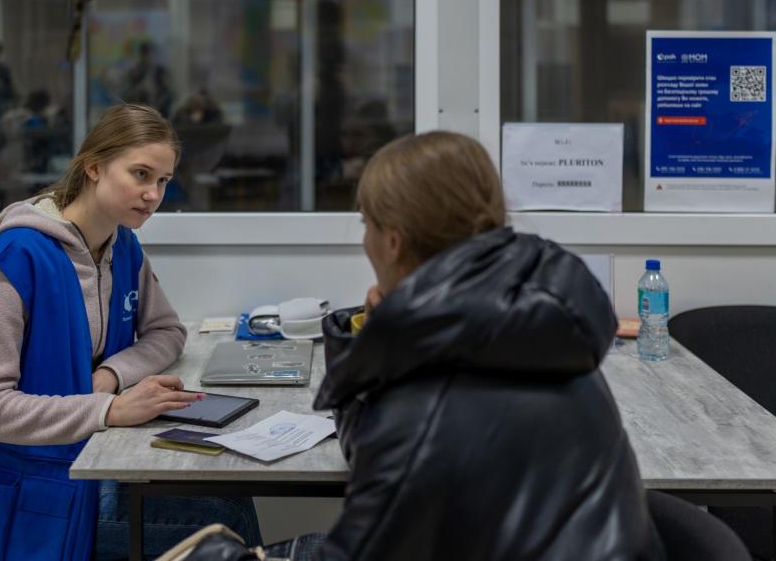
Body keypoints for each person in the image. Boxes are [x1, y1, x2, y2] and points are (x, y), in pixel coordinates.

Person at [187, 131, 664, 560]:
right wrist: (375, 342)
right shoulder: (538, 328)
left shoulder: (425, 409)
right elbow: (371, 450)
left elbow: (395, 464)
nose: (365, 240)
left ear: (392, 241)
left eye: (366, 223)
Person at [0, 104, 261, 560]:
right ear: (94, 167)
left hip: (82, 460)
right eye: (140, 174)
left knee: (232, 497)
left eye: (162, 180)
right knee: (226, 520)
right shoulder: (15, 259)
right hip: (29, 494)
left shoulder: (120, 245)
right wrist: (109, 409)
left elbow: (166, 331)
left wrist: (112, 376)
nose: (153, 194)